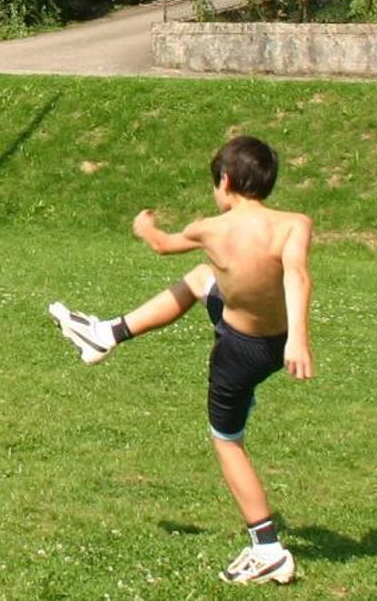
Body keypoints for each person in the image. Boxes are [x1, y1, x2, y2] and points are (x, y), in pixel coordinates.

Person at [47, 135, 313, 587]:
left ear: (225, 181)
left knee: (226, 439)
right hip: (275, 344)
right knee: (202, 278)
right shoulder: (295, 223)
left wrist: (144, 227)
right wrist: (298, 341)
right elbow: (296, 274)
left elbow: (162, 244)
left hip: (237, 350)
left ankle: (266, 547)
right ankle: (106, 334)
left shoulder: (211, 228)